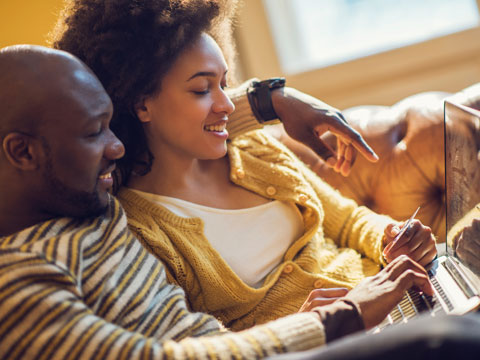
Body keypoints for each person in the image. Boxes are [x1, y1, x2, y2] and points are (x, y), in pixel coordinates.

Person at [0, 44, 435, 359]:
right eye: (96, 132)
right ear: (22, 152)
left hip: (378, 304)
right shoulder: (23, 279)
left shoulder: (93, 204)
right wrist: (340, 318)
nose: (117, 147)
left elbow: (162, 124)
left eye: (112, 126)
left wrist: (270, 99)